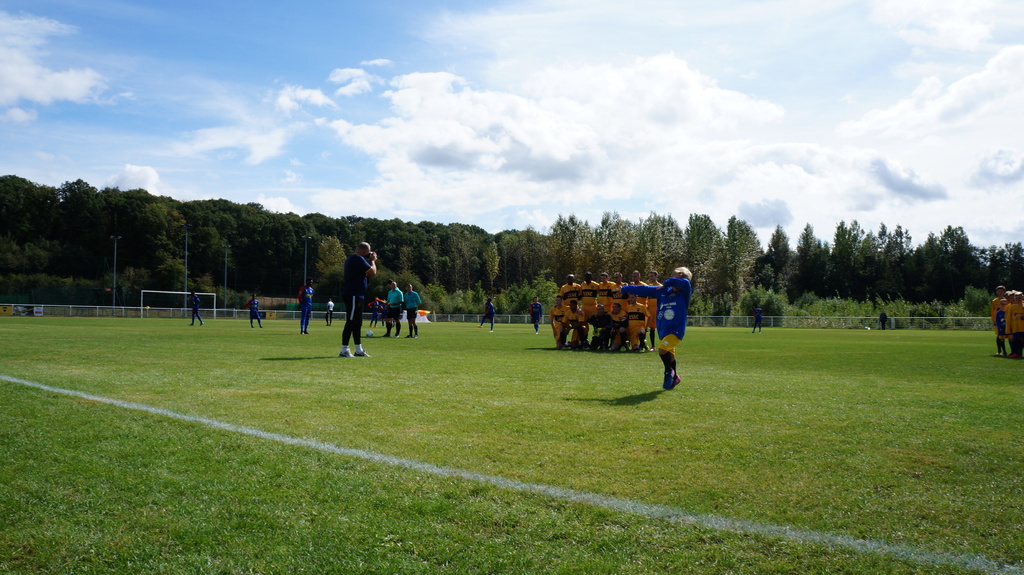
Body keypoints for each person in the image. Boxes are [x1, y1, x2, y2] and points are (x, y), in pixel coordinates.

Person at [622, 267, 693, 390]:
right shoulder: (662, 290)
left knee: (662, 349)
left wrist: (668, 282)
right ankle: (675, 377)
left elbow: (683, 282)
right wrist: (628, 288)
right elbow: (645, 289)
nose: (671, 276)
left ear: (681, 275)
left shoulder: (684, 290)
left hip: (676, 330)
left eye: (674, 274)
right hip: (663, 329)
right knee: (670, 355)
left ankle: (668, 373)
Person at [339, 242, 377, 358]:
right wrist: (373, 261)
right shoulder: (357, 258)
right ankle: (344, 350)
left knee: (357, 322)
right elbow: (373, 272)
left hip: (358, 295)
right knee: (351, 321)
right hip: (353, 294)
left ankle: (358, 349)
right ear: (365, 252)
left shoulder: (354, 259)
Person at [646, 271, 661, 349]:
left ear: (656, 276)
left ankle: (664, 344)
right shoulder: (649, 286)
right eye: (650, 276)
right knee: (651, 328)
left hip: (658, 309)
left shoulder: (660, 286)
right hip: (650, 310)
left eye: (652, 276)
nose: (651, 278)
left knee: (660, 327)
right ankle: (653, 346)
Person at [991, 285, 1007, 354]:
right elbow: (993, 311)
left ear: (1004, 292)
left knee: (1008, 336)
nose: (1000, 293)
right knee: (999, 335)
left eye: (1001, 291)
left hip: (1006, 320)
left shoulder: (1007, 300)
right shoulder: (994, 301)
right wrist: (994, 320)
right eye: (998, 291)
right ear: (996, 292)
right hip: (999, 321)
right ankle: (1000, 350)